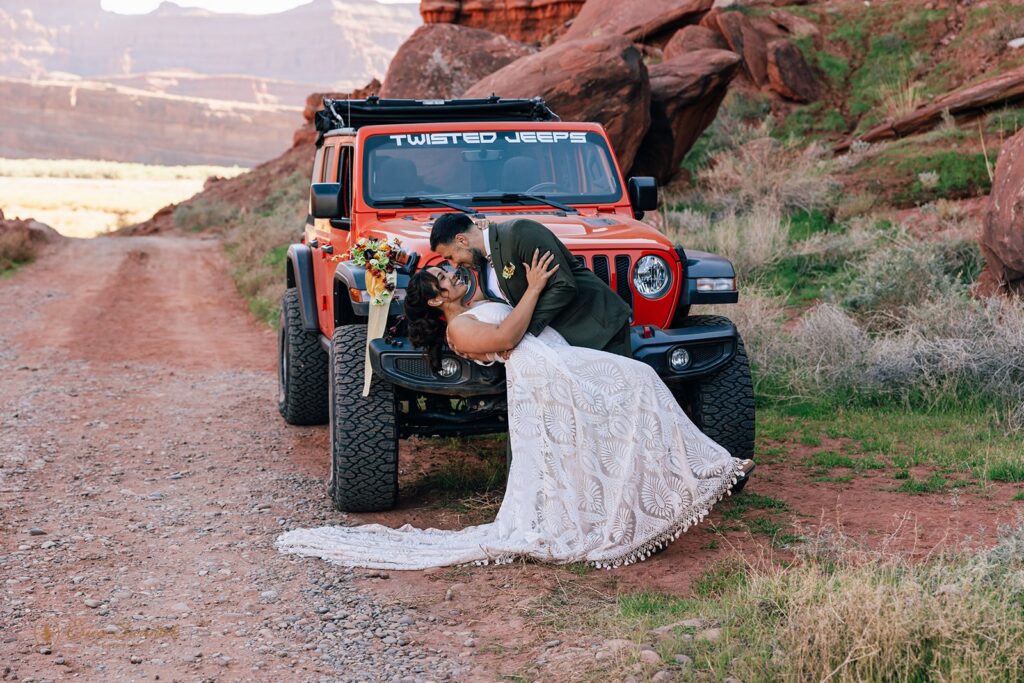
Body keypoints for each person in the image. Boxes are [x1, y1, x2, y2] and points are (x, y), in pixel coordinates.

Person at [276, 250, 752, 570]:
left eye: (449, 270)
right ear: (439, 300)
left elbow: (493, 287)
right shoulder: (459, 329)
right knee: (636, 385)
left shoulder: (476, 301)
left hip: (558, 355)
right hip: (544, 372)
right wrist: (535, 287)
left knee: (636, 389)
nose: (452, 275)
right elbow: (505, 339)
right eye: (443, 278)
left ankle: (664, 492)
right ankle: (679, 485)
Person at [429, 212, 633, 359]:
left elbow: (563, 285)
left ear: (462, 240)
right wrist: (465, 340)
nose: (454, 264)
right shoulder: (482, 265)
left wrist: (523, 335)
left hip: (598, 329)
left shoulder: (520, 233)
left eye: (451, 256)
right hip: (564, 346)